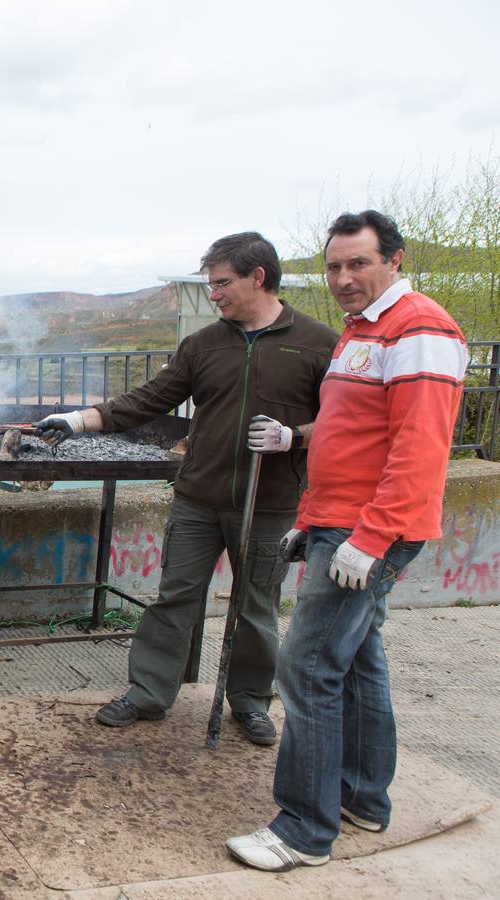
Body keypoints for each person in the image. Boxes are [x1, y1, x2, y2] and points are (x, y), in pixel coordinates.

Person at [227, 211, 468, 871]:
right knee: (360, 661)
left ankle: (303, 829)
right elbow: (345, 434)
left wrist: (372, 535)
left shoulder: (419, 329)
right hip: (342, 521)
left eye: (358, 264)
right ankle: (363, 798)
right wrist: (313, 515)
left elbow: (420, 450)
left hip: (370, 530)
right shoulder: (366, 331)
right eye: (334, 266)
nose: (343, 278)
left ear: (394, 260)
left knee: (306, 668)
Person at [35, 232, 339, 745]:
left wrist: (295, 437)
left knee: (256, 605)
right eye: (211, 284)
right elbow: (151, 398)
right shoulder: (204, 344)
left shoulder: (317, 343)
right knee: (174, 597)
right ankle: (149, 693)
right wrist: (80, 419)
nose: (213, 295)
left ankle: (249, 702)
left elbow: (344, 422)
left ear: (257, 277)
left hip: (268, 503)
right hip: (199, 499)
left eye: (222, 283)